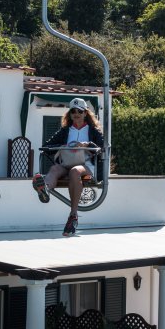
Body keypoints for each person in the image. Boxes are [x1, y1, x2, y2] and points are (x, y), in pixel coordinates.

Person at [33, 97, 104, 236]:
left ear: (85, 113)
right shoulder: (65, 131)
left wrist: (86, 145)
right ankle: (45, 189)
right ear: (70, 114)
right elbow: (47, 146)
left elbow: (102, 149)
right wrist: (63, 146)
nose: (76, 114)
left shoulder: (93, 131)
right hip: (66, 165)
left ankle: (73, 214)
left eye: (79, 111)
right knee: (54, 169)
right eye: (73, 111)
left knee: (74, 172)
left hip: (87, 170)